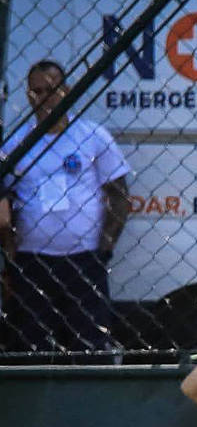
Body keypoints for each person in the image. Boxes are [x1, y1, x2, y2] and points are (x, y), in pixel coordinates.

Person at [0, 59, 130, 353]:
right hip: (32, 262)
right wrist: (9, 258)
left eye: (51, 89)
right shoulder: (14, 144)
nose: (44, 97)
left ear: (67, 91)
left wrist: (104, 250)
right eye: (36, 91)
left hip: (84, 260)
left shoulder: (92, 136)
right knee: (31, 346)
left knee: (91, 345)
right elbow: (4, 207)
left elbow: (119, 195)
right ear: (28, 94)